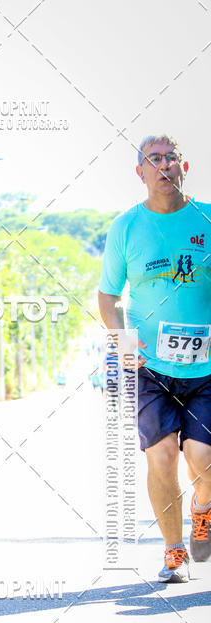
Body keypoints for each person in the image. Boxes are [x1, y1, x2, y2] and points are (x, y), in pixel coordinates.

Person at [99, 134, 211, 583]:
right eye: (154, 159)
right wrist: (122, 339)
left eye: (171, 158)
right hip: (150, 368)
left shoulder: (207, 219)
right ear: (140, 172)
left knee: (203, 458)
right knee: (161, 456)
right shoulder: (126, 227)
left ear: (184, 167)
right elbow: (108, 295)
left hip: (206, 369)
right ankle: (173, 551)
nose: (163, 165)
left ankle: (203, 506)